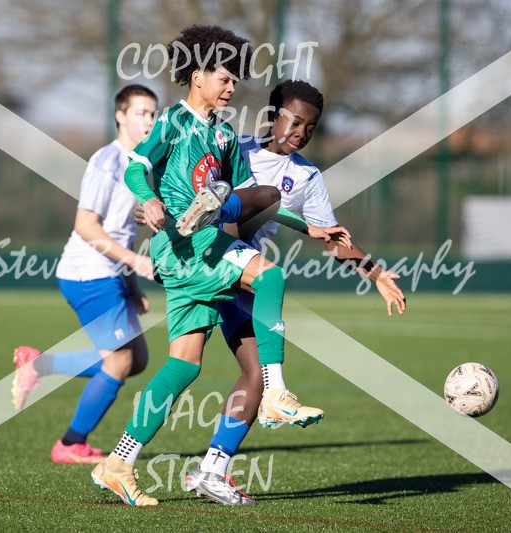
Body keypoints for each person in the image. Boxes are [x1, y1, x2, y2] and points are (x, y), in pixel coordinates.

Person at [90, 25, 348, 507]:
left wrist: (304, 226)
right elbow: (135, 166)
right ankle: (274, 391)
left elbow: (253, 198)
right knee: (270, 276)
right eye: (225, 78)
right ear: (197, 75)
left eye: (235, 80)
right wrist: (147, 200)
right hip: (188, 248)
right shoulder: (171, 122)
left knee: (182, 367)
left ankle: (118, 462)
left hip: (200, 253)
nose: (232, 88)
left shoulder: (225, 135)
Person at [182, 79, 407, 505]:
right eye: (295, 121)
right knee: (185, 368)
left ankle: (211, 468)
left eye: (311, 127)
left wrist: (373, 271)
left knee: (250, 372)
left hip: (243, 273)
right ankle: (268, 405)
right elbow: (193, 184)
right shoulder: (236, 148)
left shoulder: (306, 176)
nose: (301, 132)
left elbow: (333, 237)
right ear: (273, 117)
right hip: (210, 259)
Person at [11, 84, 158, 464]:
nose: (149, 120)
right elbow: (87, 227)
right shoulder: (107, 161)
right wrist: (137, 263)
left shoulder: (141, 164)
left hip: (110, 272)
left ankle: (39, 365)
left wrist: (130, 281)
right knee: (119, 361)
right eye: (141, 112)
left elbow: (119, 229)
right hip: (88, 272)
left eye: (153, 114)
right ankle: (71, 443)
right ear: (120, 116)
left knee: (135, 359)